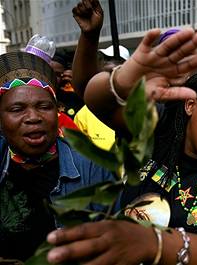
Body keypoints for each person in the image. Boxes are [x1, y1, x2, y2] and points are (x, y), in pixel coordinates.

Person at [45, 3, 197, 264]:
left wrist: (156, 243)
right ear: (190, 105)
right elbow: (92, 95)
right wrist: (120, 81)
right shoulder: (156, 129)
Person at [0, 50, 116, 261]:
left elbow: (113, 245)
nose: (33, 117)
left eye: (44, 106)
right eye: (17, 109)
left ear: (58, 112)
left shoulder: (93, 167)